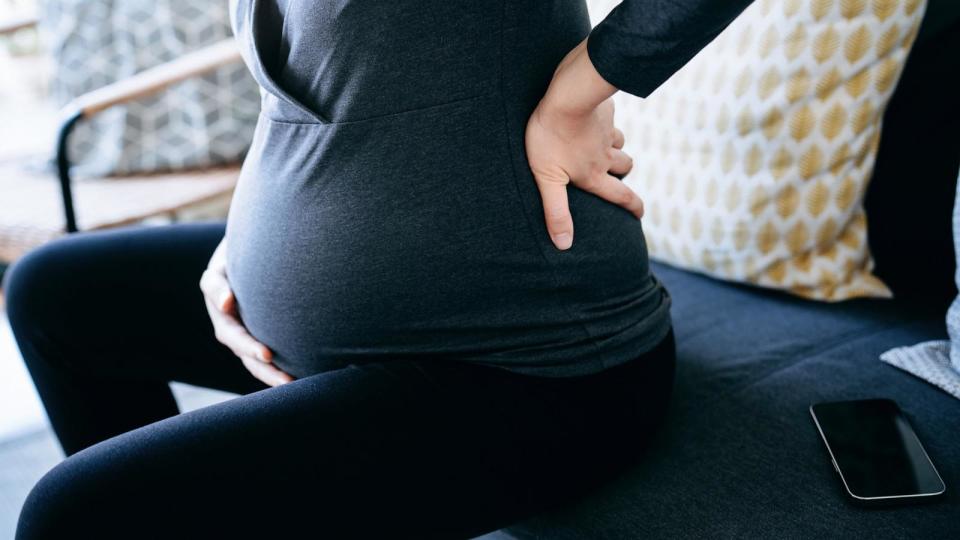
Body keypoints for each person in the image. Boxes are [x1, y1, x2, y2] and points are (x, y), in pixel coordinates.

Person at [6, 0, 752, 537]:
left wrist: (579, 92)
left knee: (71, 514)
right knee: (54, 295)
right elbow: (325, 91)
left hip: (526, 360)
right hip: (329, 329)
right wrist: (243, 238)